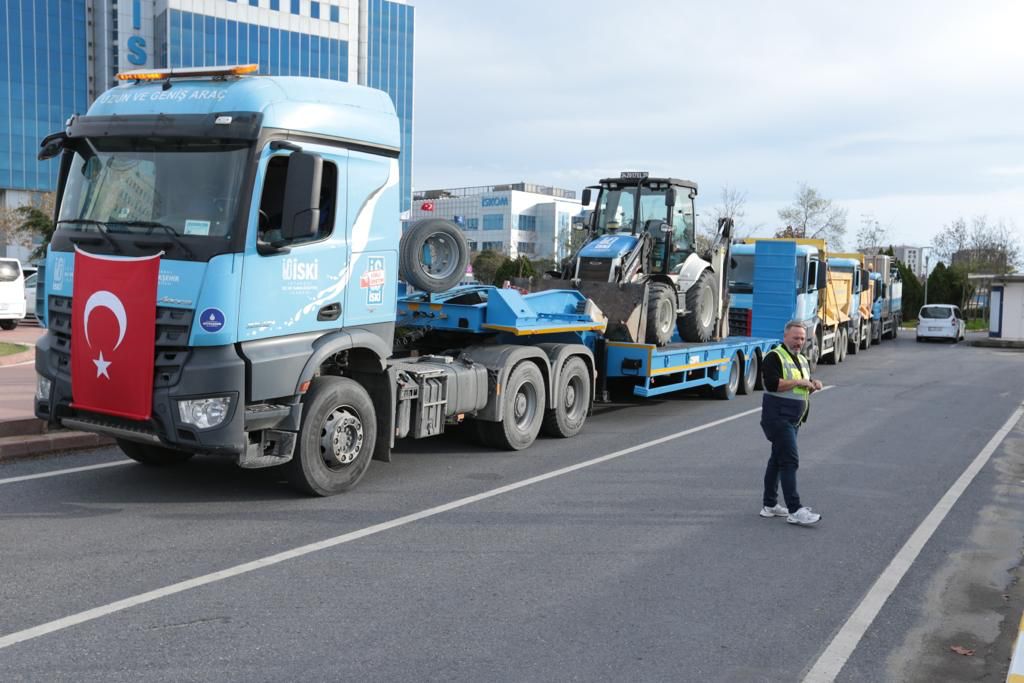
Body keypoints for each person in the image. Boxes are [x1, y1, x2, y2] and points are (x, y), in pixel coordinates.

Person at [759, 321, 823, 526]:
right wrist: (799, 382)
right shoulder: (774, 356)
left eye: (802, 338)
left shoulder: (802, 359)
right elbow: (772, 384)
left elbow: (801, 387)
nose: (799, 342)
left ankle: (769, 505)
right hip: (778, 418)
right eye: (795, 338)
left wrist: (813, 385)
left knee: (777, 461)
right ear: (785, 336)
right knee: (790, 461)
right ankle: (795, 510)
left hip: (793, 419)